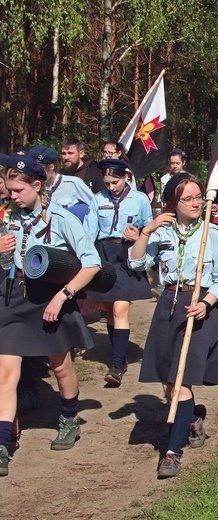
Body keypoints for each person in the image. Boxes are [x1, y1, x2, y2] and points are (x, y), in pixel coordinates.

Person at [0, 155, 101, 476]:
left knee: (60, 367)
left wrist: (63, 296)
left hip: (51, 298)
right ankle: (3, 442)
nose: (11, 195)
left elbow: (91, 262)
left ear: (36, 185)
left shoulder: (61, 218)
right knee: (5, 373)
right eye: (8, 189)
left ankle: (70, 417)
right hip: (13, 298)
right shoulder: (4, 218)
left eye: (17, 189)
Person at [129, 173, 218, 478]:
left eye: (199, 196)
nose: (196, 203)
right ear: (173, 202)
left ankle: (172, 452)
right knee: (168, 382)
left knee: (179, 383)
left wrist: (206, 303)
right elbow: (135, 263)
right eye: (188, 198)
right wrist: (147, 231)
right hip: (169, 306)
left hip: (200, 311)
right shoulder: (161, 233)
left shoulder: (211, 235)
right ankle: (193, 419)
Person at [83, 159, 153, 386]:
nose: (111, 187)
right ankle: (118, 356)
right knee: (111, 308)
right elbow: (89, 232)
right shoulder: (98, 199)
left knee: (121, 306)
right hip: (104, 254)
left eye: (115, 182)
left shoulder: (140, 200)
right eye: (107, 183)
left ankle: (116, 363)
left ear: (126, 178)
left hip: (127, 253)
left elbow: (150, 228)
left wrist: (139, 235)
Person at [28, 146, 93, 221]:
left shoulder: (73, 183)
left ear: (51, 167)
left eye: (40, 170)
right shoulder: (34, 188)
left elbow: (95, 206)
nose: (36, 175)